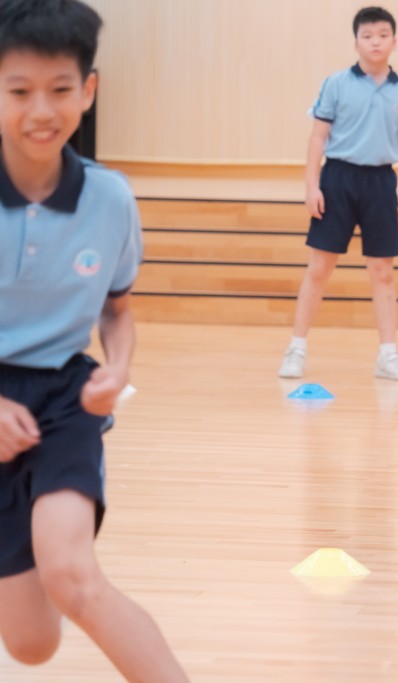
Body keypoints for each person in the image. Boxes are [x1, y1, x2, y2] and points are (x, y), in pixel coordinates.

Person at [0, 1, 190, 680]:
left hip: (62, 396)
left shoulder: (110, 200)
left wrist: (120, 364)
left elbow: (117, 309)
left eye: (58, 89)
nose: (39, 110)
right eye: (18, 91)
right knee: (30, 643)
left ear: (89, 89)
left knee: (73, 574)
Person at [279, 6, 398, 381]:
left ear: (394, 40)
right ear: (356, 41)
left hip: (380, 183)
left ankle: (388, 355)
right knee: (320, 268)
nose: (375, 41)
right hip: (338, 180)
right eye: (367, 35)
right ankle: (296, 349)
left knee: (383, 272)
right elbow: (318, 136)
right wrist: (311, 185)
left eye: (382, 34)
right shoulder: (336, 83)